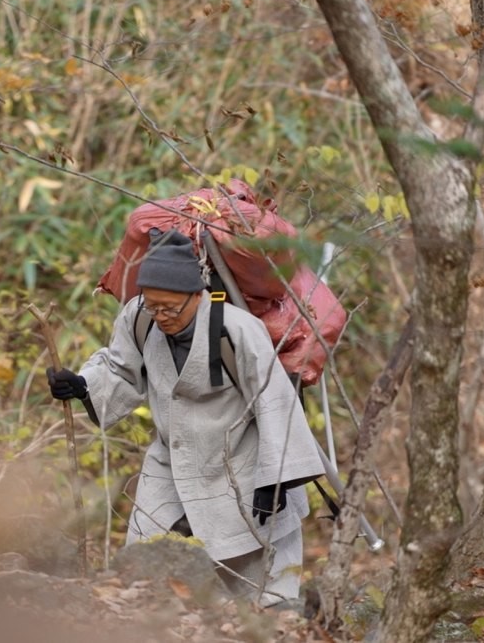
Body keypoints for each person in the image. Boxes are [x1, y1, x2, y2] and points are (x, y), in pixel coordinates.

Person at [46, 229, 325, 607]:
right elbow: (121, 368)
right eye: (153, 306)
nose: (161, 317)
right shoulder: (139, 318)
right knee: (142, 567)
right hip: (171, 457)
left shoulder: (237, 329)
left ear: (197, 296)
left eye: (171, 308)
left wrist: (274, 478)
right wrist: (81, 385)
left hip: (241, 460)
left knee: (261, 583)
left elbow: (273, 397)